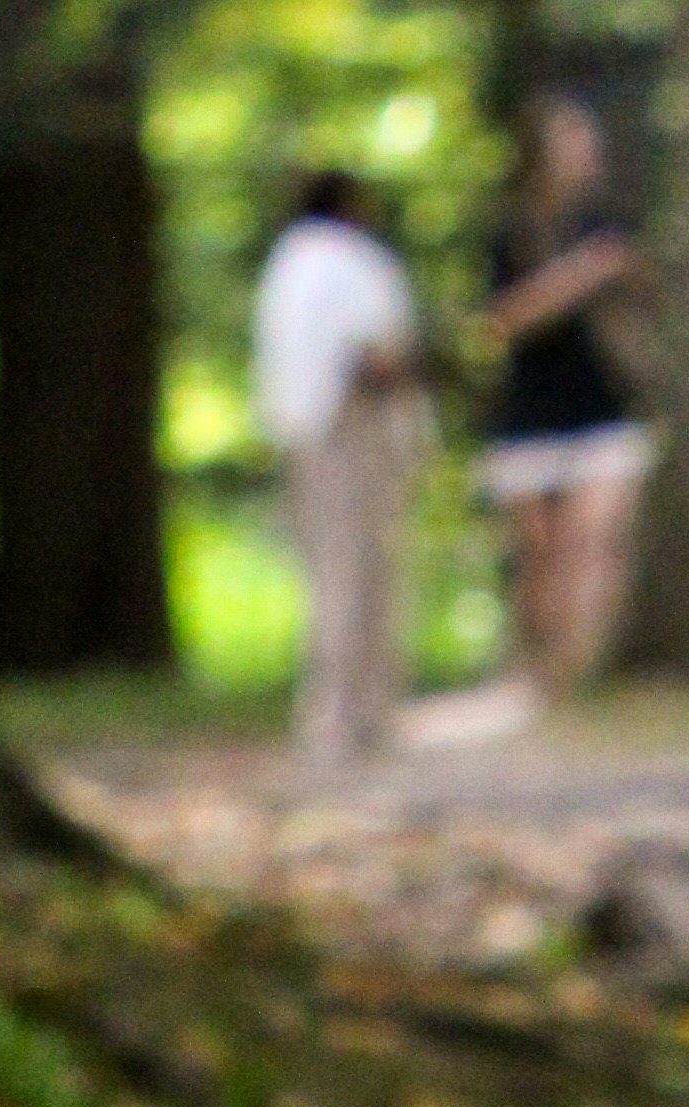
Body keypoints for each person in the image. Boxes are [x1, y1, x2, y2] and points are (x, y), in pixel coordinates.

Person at [478, 93, 652, 696]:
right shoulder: (510, 234)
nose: (587, 153)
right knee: (541, 556)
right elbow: (499, 321)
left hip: (605, 406)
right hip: (532, 413)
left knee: (596, 543)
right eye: (574, 141)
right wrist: (579, 277)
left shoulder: (611, 227)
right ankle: (540, 672)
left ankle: (580, 674)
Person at [256, 171, 429, 774]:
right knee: (359, 574)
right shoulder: (347, 261)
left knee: (332, 572)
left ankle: (345, 711)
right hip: (353, 430)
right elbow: (374, 353)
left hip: (306, 434)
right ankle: (350, 712)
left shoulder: (287, 264)